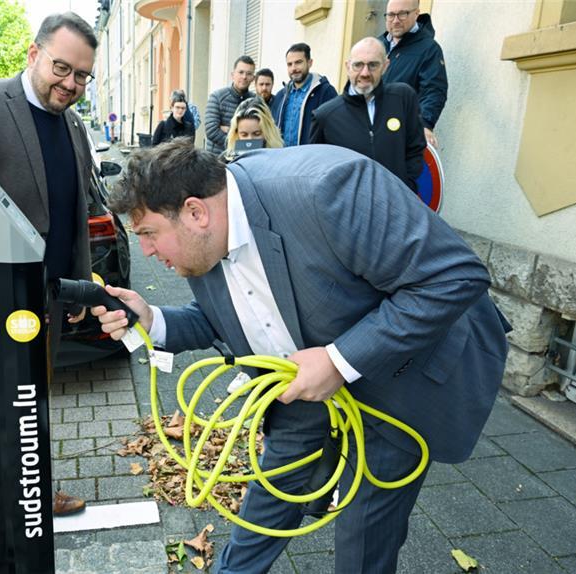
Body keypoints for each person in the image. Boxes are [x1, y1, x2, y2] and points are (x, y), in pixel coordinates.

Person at [92, 139, 510, 573]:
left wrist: (337, 361)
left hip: (399, 377)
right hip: (303, 387)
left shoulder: (326, 188)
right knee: (267, 502)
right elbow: (228, 315)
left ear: (196, 212)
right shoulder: (204, 242)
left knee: (363, 535)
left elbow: (453, 276)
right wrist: (152, 319)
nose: (146, 251)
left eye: (148, 234)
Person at [0, 11, 95, 517]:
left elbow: (74, 211)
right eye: (61, 68)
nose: (70, 83)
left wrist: (77, 285)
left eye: (82, 76)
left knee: (32, 403)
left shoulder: (73, 123)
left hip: (47, 300)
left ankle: (31, 492)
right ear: (34, 54)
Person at [310, 37, 425, 192]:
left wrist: (406, 186)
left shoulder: (403, 98)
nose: (365, 73)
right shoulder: (325, 116)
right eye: (358, 65)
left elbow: (416, 148)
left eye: (373, 65)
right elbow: (317, 168)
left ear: (385, 66)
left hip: (397, 201)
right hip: (350, 205)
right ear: (348, 66)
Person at [379, 0, 448, 148]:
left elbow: (434, 91)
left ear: (416, 13)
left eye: (402, 14)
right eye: (391, 15)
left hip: (401, 135)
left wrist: (424, 124)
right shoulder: (377, 45)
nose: (395, 20)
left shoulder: (429, 49)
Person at [271, 43, 337, 146]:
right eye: (289, 64)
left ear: (310, 63)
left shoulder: (326, 92)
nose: (293, 68)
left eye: (298, 62)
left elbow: (333, 131)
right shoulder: (281, 95)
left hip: (310, 155)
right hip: (283, 154)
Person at [204, 56, 255, 154]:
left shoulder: (255, 101)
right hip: (217, 158)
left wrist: (229, 130)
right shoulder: (217, 97)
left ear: (253, 78)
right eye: (241, 72)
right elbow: (211, 131)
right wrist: (240, 145)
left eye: (249, 74)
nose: (244, 77)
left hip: (244, 158)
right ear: (232, 75)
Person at [224, 96, 283, 161]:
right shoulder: (226, 161)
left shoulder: (279, 159)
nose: (250, 139)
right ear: (236, 133)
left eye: (257, 134)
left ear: (268, 132)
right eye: (244, 135)